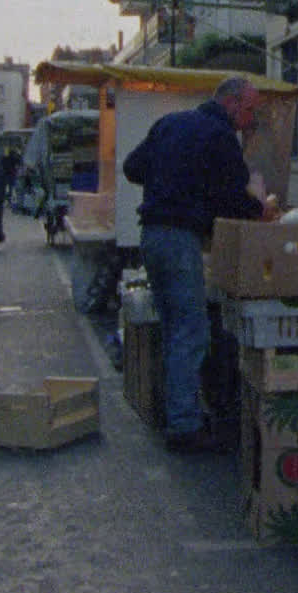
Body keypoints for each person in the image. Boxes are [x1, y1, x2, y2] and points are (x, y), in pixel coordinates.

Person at [122, 75, 272, 453]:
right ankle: (184, 426)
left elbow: (132, 167)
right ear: (232, 103)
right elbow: (233, 199)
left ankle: (180, 411)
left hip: (152, 236)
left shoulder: (170, 123)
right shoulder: (220, 138)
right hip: (178, 239)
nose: (250, 119)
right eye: (250, 110)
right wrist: (262, 209)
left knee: (175, 326)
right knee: (191, 331)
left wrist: (168, 180)